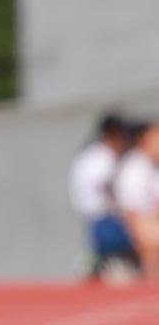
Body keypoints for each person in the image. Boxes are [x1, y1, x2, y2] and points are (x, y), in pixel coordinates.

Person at [68, 112, 138, 276]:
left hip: (105, 219)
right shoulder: (99, 159)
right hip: (104, 220)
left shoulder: (97, 157)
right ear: (111, 134)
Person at [113, 116, 159, 279]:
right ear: (146, 139)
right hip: (134, 224)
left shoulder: (152, 168)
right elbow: (132, 214)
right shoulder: (134, 169)